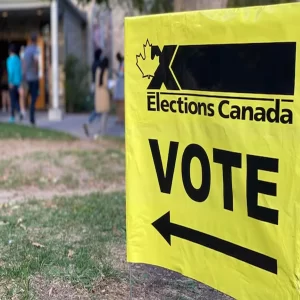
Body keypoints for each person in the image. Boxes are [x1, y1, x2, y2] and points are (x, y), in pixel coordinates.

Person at [83, 48, 103, 136]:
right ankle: (90, 123)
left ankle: (93, 125)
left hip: (93, 85)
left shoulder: (93, 63)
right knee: (99, 108)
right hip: (98, 87)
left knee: (98, 107)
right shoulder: (99, 64)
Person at [24, 33, 40, 126]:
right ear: (36, 40)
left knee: (27, 95)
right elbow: (36, 61)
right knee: (34, 96)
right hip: (33, 77)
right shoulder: (35, 49)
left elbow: (24, 63)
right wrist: (37, 72)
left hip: (27, 77)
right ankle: (32, 117)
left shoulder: (26, 49)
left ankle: (25, 110)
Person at [94, 57, 110, 139]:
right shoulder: (106, 71)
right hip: (104, 93)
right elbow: (106, 83)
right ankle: (103, 131)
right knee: (105, 113)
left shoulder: (98, 70)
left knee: (100, 113)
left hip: (98, 94)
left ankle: (100, 130)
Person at [6, 44, 22, 123]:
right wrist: (20, 82)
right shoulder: (18, 59)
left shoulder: (9, 60)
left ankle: (13, 116)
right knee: (16, 99)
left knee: (13, 100)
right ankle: (18, 112)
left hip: (12, 82)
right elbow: (20, 71)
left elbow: (10, 71)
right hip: (18, 82)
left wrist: (10, 81)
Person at [113, 52, 124, 124]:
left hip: (122, 85)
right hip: (120, 85)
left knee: (122, 103)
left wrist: (116, 72)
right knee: (119, 103)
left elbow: (122, 74)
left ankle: (121, 118)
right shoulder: (121, 63)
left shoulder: (123, 64)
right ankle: (120, 118)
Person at [19, 46, 27, 118]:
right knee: (22, 95)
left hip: (26, 80)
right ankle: (22, 110)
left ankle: (24, 108)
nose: (22, 52)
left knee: (24, 95)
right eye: (22, 51)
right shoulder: (19, 61)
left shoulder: (26, 60)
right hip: (20, 80)